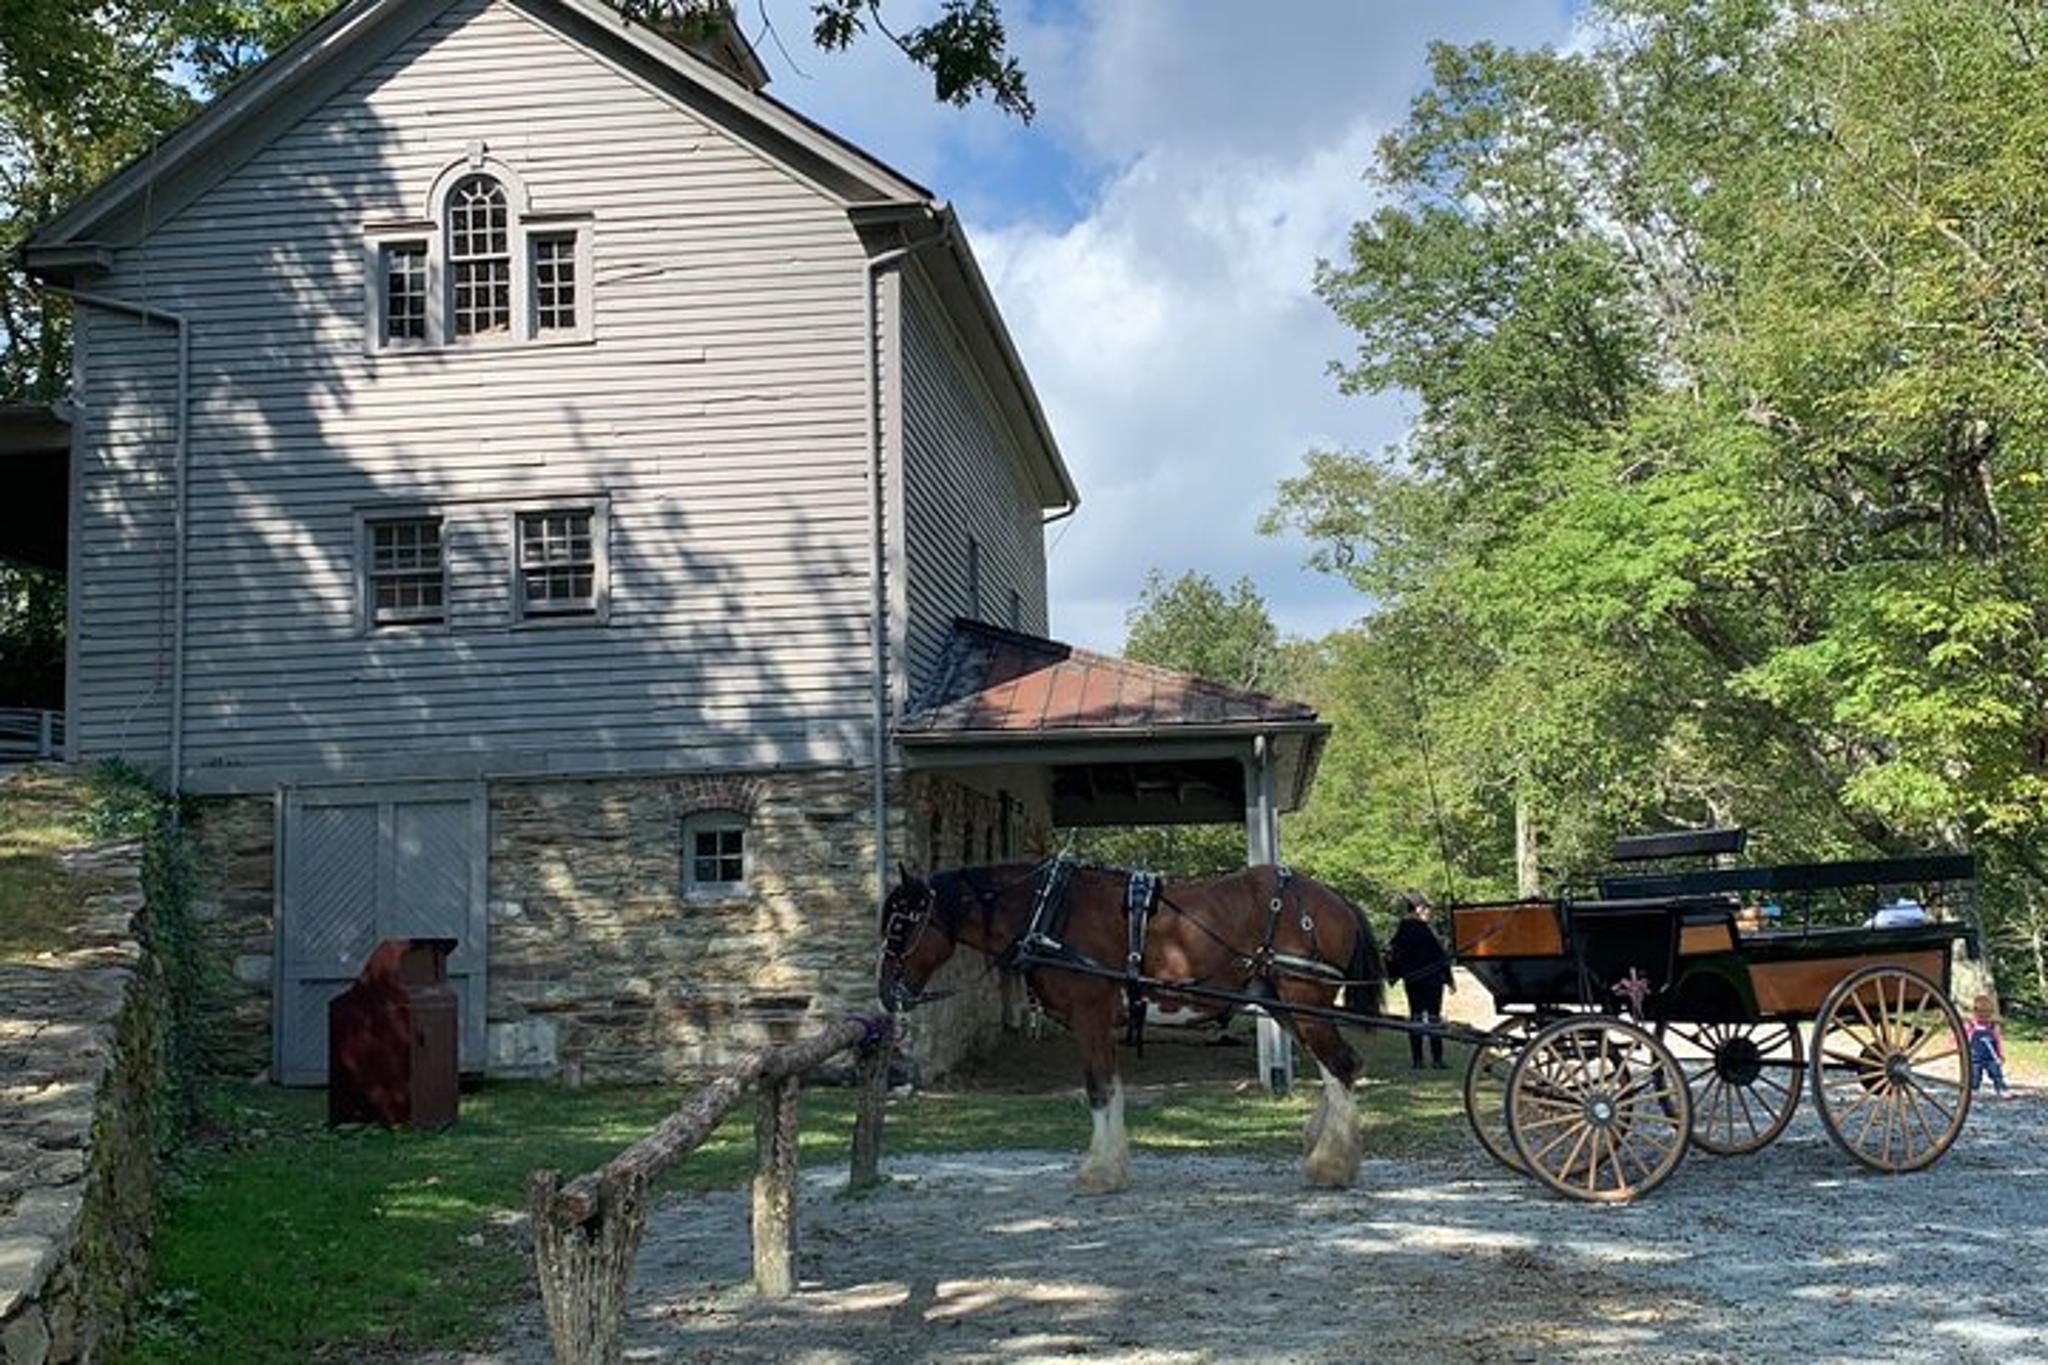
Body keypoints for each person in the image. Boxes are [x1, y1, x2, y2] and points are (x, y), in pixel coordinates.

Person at [1385, 890, 1455, 1070]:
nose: (1429, 912)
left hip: (1413, 981)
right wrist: (1449, 979)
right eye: (1426, 908)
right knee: (1433, 1018)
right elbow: (1439, 956)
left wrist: (1393, 975)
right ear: (1418, 909)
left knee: (1415, 1017)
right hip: (1431, 981)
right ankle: (1437, 1059)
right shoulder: (1423, 929)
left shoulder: (1403, 929)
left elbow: (1394, 954)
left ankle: (1418, 1060)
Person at [1966, 994, 2013, 1099]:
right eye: (1980, 1013)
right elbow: (1966, 1038)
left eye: (1986, 1013)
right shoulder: (1972, 1025)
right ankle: (1973, 1090)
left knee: (1996, 1074)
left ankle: (2001, 1088)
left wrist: (2000, 1054)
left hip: (1991, 1056)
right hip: (1974, 1057)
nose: (1983, 1016)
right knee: (1974, 1075)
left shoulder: (1993, 1026)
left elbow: (1998, 1041)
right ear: (1975, 1012)